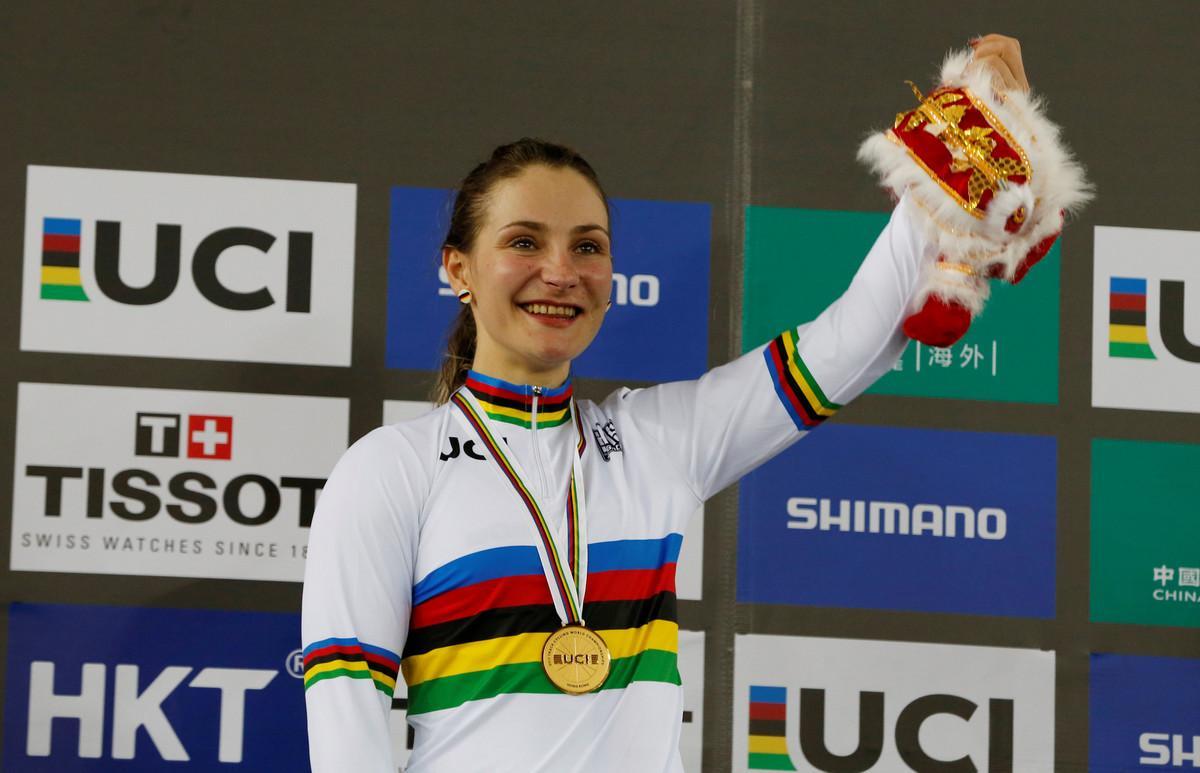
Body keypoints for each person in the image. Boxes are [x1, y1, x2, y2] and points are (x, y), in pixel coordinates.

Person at [302, 35, 1080, 772]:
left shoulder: (654, 442)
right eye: (524, 241)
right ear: (458, 269)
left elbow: (852, 341)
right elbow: (348, 733)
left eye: (588, 245)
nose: (561, 271)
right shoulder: (388, 472)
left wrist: (958, 149)